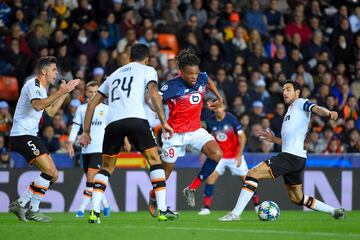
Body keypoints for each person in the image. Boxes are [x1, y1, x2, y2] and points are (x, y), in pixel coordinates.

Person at [78, 44, 178, 223]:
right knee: (155, 161)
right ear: (146, 58)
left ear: (130, 56)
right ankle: (162, 209)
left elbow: (92, 104)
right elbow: (154, 94)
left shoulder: (114, 74)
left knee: (106, 168)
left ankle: (94, 212)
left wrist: (86, 131)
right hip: (136, 120)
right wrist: (164, 122)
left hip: (112, 124)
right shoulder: (148, 70)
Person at [218, 80, 345, 221]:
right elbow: (288, 141)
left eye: (288, 89)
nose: (284, 92)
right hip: (296, 158)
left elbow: (315, 108)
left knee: (252, 174)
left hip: (290, 157)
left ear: (297, 92)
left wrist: (328, 112)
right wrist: (274, 139)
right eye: (284, 89)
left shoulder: (301, 102)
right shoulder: (290, 111)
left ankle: (235, 213)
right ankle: (333, 211)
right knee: (297, 198)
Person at [148, 48, 224, 216]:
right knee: (165, 173)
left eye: (196, 73)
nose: (194, 77)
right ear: (181, 72)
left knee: (217, 154)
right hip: (174, 134)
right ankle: (153, 196)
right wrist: (157, 110)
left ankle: (192, 188)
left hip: (195, 130)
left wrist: (219, 97)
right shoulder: (172, 85)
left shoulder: (201, 77)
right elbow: (155, 99)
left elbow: (207, 79)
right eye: (190, 74)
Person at [8, 56, 80, 222]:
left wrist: (64, 93)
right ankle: (30, 209)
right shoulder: (33, 84)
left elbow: (51, 112)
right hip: (21, 135)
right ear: (44, 71)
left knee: (53, 175)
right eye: (54, 70)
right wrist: (61, 91)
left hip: (30, 135)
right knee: (49, 172)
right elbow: (38, 105)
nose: (57, 73)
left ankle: (23, 205)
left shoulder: (41, 89)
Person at [198, 103, 260, 215]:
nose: (218, 110)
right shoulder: (210, 121)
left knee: (246, 180)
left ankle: (257, 204)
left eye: (220, 107)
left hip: (234, 155)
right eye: (216, 108)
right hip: (220, 156)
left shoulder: (231, 119)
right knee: (210, 178)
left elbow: (243, 137)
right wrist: (203, 153)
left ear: (224, 108)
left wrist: (239, 155)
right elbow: (207, 137)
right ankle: (206, 207)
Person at [66, 81, 110, 218]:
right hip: (85, 149)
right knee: (93, 180)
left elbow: (113, 127)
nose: (92, 94)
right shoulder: (81, 109)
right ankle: (106, 205)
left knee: (91, 179)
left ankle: (82, 209)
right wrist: (70, 143)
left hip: (100, 148)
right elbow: (75, 126)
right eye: (90, 91)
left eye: (95, 92)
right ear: (86, 93)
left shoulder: (106, 109)